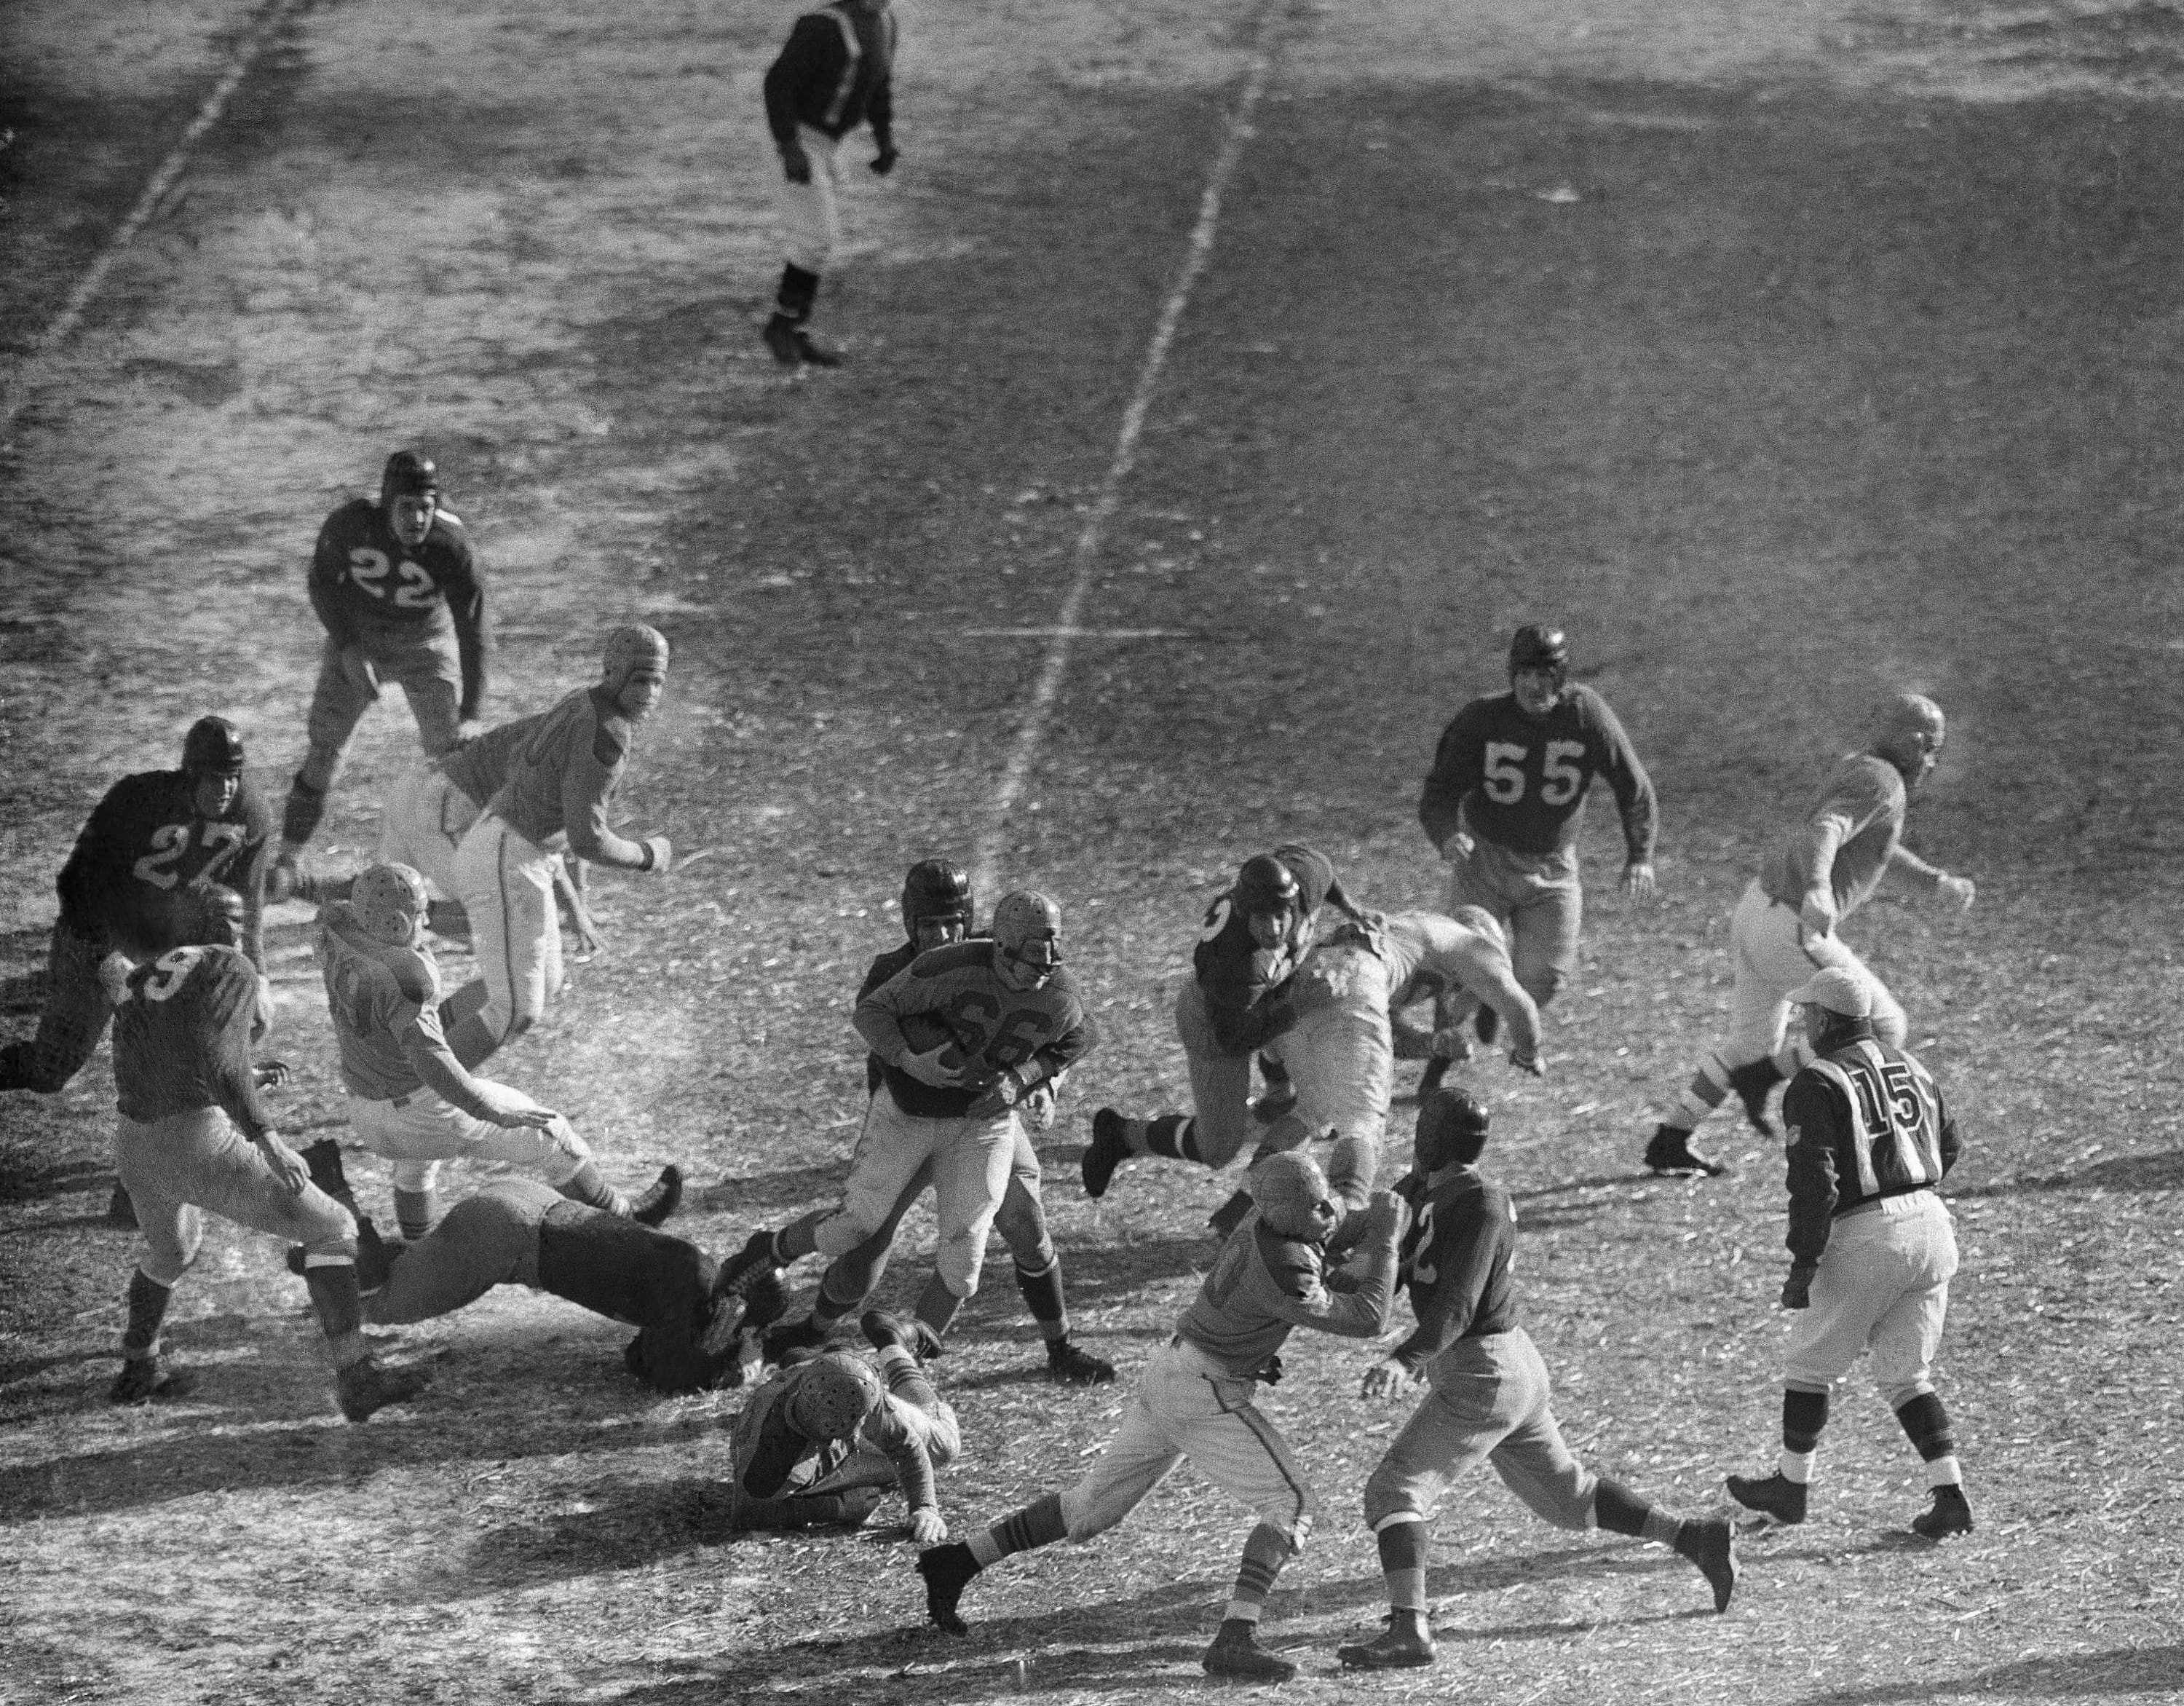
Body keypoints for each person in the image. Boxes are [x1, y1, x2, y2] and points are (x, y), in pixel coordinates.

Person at [915, 1148, 1401, 1681]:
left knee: (1088, 1510)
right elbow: (1369, 1319)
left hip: (1173, 1368)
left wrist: (1367, 1225)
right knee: (1292, 1502)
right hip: (1203, 1388)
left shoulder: (1264, 1218)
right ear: (1282, 1208)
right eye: (1315, 1208)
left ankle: (958, 1560)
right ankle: (1234, 1637)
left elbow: (1321, 1243)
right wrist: (1387, 1236)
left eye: (1325, 1203)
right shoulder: (1284, 1261)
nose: (1326, 1215)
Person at [1337, 1090, 1735, 1669]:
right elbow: (1375, 1261)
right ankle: (1696, 1537)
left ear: (1436, 1136)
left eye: (1422, 1124)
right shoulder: (1418, 1189)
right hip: (1498, 1365)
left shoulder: (1482, 1204)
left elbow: (1458, 1303)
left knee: (1394, 1490)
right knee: (1568, 1499)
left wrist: (1405, 1358)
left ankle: (1410, 1629)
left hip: (1484, 1367)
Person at [763, 861, 1115, 1384]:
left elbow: (1061, 1030)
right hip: (914, 1118)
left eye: (954, 923)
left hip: (983, 1116)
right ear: (910, 922)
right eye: (930, 924)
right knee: (866, 1241)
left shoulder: (1002, 962)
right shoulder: (904, 972)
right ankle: (816, 1327)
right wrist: (910, 1060)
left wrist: (1038, 1081)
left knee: (1023, 1226)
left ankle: (1056, 1344)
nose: (944, 935)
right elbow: (875, 1019)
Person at [106, 885, 429, 1422]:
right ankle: (357, 1377)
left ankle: (137, 1365)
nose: (238, 930)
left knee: (171, 1252)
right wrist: (268, 1138)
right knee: (332, 1227)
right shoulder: (232, 964)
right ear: (232, 928)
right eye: (233, 920)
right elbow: (217, 1057)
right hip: (195, 1140)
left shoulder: (149, 973)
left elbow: (155, 1055)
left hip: (134, 1143)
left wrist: (244, 1078)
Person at [1645, 692, 1976, 1179]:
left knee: (1753, 1039)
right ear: (1914, 741)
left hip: (1756, 908)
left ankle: (1671, 1138)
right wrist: (1819, 886)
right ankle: (1830, 1128)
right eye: (1929, 747)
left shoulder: (1860, 768)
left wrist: (1933, 881)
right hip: (1791, 924)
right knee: (1882, 1028)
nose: (1931, 760)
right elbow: (1828, 829)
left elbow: (1875, 845)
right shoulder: (1883, 781)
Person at [1723, 968, 1973, 1541]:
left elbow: (1815, 1180)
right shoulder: (1913, 1064)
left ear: (1829, 1020)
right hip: (1932, 1224)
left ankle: (1791, 1486)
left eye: (1809, 1015)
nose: (1804, 1025)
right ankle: (1950, 1492)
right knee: (1908, 1373)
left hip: (1866, 1232)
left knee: (1809, 1369)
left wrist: (1804, 1259)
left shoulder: (1817, 1082)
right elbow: (1951, 1144)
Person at [2, 716, 272, 1227]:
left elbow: (246, 910)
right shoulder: (136, 800)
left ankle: (134, 1193)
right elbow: (76, 885)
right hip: (98, 939)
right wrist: (109, 962)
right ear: (189, 773)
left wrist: (253, 980)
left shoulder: (250, 816)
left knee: (168, 1066)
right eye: (214, 778)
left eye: (233, 777)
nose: (226, 790)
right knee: (49, 1070)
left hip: (168, 954)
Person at [318, 861, 681, 1240]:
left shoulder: (333, 929)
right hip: (421, 1111)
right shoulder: (408, 973)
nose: (425, 922)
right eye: (420, 913)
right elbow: (430, 1058)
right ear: (397, 921)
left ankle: (416, 1253)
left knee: (416, 1162)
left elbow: (329, 898)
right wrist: (483, 1108)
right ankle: (631, 1222)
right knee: (551, 1134)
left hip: (364, 1109)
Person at [1198, 906, 1546, 1241]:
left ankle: (1244, 1206)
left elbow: (1370, 1032)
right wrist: (1529, 1053)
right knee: (1363, 1122)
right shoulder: (1470, 945)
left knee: (1311, 1110)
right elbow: (1521, 1007)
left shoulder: (1412, 937)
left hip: (1307, 978)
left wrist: (1431, 1044)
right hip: (1353, 976)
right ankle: (1342, 1230)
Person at [1415, 623, 1657, 1093]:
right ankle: (1436, 1070)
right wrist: (1446, 836)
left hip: (1553, 867)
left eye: (1544, 674)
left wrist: (1640, 855)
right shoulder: (1482, 719)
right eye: (1524, 673)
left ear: (1561, 676)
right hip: (1483, 859)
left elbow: (1634, 784)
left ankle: (1496, 1004)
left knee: (1544, 979)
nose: (1532, 685)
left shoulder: (1586, 713)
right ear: (1512, 674)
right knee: (1455, 968)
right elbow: (1439, 791)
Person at [290, 1173, 767, 1395]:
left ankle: (338, 1250)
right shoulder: (689, 1294)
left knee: (414, 1272)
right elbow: (657, 1369)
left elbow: (645, 1355)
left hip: (526, 1203)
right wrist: (730, 1367)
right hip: (506, 1237)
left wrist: (724, 1349)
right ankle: (328, 1193)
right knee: (384, 1303)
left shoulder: (698, 1270)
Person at [1081, 844, 1366, 1207]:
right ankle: (1121, 1134)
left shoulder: (1303, 879)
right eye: (1262, 920)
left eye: (1282, 915)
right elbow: (1234, 1039)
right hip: (1215, 1023)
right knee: (1218, 1148)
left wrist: (1349, 906)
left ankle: (1278, 1095)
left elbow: (1322, 868)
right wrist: (1294, 1008)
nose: (1275, 928)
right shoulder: (1237, 963)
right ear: (1246, 915)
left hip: (1266, 999)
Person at [444, 625, 673, 1070]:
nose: (649, 692)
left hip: (508, 845)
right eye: (640, 679)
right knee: (514, 1011)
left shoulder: (582, 701)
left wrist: (571, 899)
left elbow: (549, 811)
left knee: (544, 984)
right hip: (507, 856)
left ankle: (421, 1039)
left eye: (658, 681)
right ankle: (414, 1093)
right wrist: (649, 855)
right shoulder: (605, 734)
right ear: (614, 673)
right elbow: (588, 841)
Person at [274, 451, 489, 886]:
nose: (417, 519)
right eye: (407, 507)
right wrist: (350, 648)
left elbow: (474, 625)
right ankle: (287, 860)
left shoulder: (452, 545)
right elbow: (321, 583)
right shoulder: (351, 525)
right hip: (361, 632)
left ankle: (476, 867)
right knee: (325, 751)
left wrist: (473, 711)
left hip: (424, 640)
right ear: (387, 503)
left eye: (425, 507)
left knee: (453, 759)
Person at [278, 711, 604, 955]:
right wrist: (577, 913)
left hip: (417, 785)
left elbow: (573, 836)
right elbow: (551, 845)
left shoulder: (565, 726)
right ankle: (403, 913)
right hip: (438, 808)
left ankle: (293, 883)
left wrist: (580, 906)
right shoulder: (572, 753)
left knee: (380, 888)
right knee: (500, 913)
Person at [724, 1311, 959, 1536]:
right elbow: (749, 1515)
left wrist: (925, 1508)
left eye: (861, 1418)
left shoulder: (854, 1389)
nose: (860, 1431)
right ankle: (817, 1355)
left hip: (809, 1374)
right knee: (937, 1448)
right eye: (851, 1427)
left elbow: (905, 1444)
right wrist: (837, 1508)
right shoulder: (769, 1461)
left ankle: (890, 1341)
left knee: (942, 1444)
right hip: (786, 1435)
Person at [759, 0, 898, 366]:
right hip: (795, 138)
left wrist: (884, 140)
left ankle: (794, 329)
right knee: (816, 239)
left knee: (819, 241)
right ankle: (781, 326)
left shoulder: (885, 24)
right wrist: (789, 147)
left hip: (826, 144)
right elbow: (778, 85)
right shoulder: (821, 26)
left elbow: (878, 87)